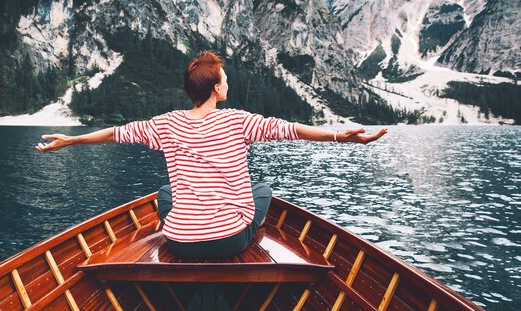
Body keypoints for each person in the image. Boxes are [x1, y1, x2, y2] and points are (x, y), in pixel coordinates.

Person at [36, 51, 387, 258]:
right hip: (229, 241)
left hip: (179, 242)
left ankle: (184, 220)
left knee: (164, 192)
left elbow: (115, 133)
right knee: (262, 191)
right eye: (225, 79)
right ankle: (246, 229)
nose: (227, 84)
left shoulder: (167, 124)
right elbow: (291, 129)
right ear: (217, 89)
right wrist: (340, 136)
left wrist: (71, 141)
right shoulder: (237, 121)